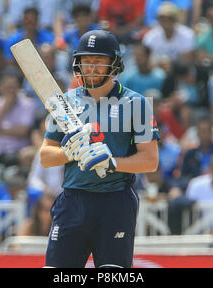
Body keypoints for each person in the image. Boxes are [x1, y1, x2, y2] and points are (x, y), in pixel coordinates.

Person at [40, 29, 159, 268]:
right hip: (73, 199)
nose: (91, 68)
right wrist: (69, 153)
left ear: (114, 64)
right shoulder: (65, 102)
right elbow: (45, 156)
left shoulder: (136, 104)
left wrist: (112, 162)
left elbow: (150, 160)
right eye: (86, 61)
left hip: (114, 201)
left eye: (99, 61)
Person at [0, 72, 36, 159]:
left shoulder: (28, 104)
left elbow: (22, 131)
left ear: (19, 87)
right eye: (7, 87)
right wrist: (4, 108)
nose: (11, 91)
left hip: (19, 151)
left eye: (13, 87)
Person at [142, 2, 195, 72]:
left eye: (170, 18)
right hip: (157, 72)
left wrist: (170, 65)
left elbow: (187, 60)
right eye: (163, 19)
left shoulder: (187, 34)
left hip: (180, 72)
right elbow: (146, 60)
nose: (166, 21)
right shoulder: (150, 37)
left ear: (175, 19)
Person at [180, 116, 213, 182]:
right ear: (198, 134)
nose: (205, 135)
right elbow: (184, 175)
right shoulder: (190, 154)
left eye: (207, 132)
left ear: (212, 133)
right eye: (203, 132)